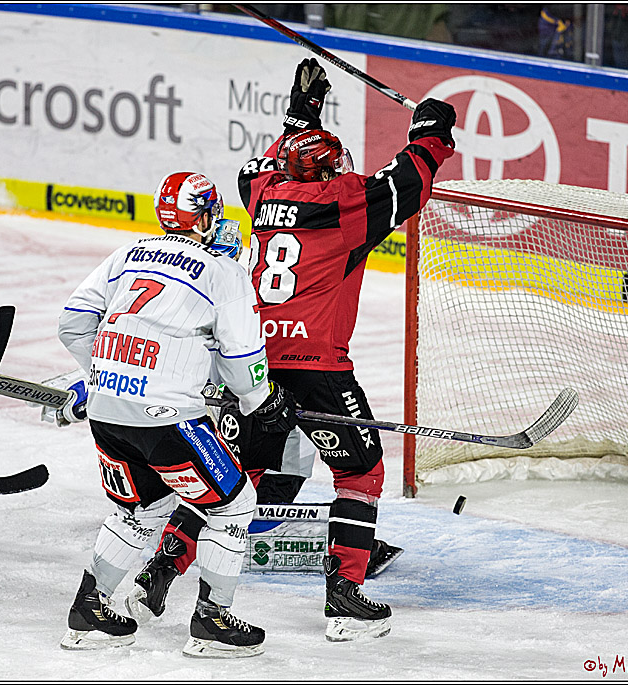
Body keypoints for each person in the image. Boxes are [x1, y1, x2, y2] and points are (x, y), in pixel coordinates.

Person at [131, 58, 457, 643]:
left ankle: (161, 567)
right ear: (334, 167)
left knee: (230, 479)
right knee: (361, 471)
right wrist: (431, 131)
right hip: (318, 371)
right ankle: (343, 596)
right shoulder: (348, 205)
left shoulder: (261, 196)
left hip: (252, 366)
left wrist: (299, 114)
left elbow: (259, 168)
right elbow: (409, 180)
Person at [53, 171, 298, 658]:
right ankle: (213, 621)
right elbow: (243, 358)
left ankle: (90, 610)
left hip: (108, 412)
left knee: (139, 508)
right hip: (167, 420)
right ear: (206, 216)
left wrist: (100, 372)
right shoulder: (222, 272)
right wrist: (260, 402)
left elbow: (73, 323)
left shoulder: (127, 254)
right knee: (233, 506)